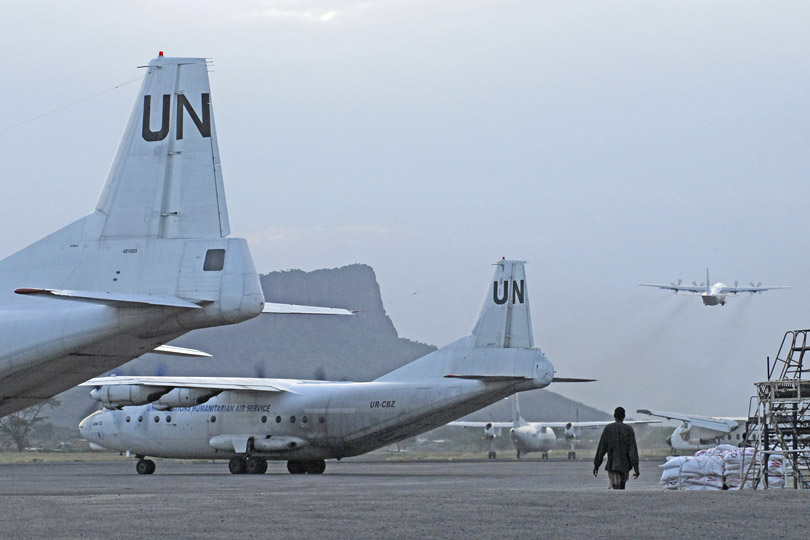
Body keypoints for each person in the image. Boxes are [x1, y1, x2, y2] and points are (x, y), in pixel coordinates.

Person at [593, 406, 640, 489]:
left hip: (612, 465)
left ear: (614, 415)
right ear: (624, 416)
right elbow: (633, 451)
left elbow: (601, 449)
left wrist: (597, 465)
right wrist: (636, 467)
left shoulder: (608, 428)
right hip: (625, 465)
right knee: (622, 487)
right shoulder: (629, 429)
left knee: (616, 488)